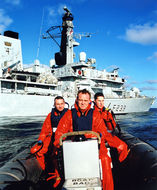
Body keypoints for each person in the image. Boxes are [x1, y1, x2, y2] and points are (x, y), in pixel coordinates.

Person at [54, 89, 128, 190]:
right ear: (77, 100)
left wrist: (97, 138)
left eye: (85, 100)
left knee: (105, 160)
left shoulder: (96, 115)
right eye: (81, 100)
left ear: (89, 101)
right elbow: (60, 132)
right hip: (74, 148)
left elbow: (102, 131)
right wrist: (59, 142)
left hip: (94, 147)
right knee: (58, 157)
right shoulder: (69, 114)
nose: (83, 102)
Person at [30, 96, 68, 171]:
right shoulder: (50, 115)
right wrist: (40, 140)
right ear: (54, 105)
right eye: (58, 104)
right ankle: (45, 170)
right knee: (38, 152)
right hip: (53, 137)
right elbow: (44, 130)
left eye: (61, 104)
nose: (60, 106)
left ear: (64, 104)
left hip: (65, 138)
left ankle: (58, 173)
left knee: (58, 153)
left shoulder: (69, 114)